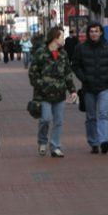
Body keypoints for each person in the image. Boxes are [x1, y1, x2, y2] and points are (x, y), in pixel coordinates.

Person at [28, 27, 78, 157]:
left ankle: (55, 146)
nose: (64, 39)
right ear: (55, 38)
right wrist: (42, 85)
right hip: (43, 94)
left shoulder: (63, 54)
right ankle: (42, 141)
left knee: (59, 121)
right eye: (62, 36)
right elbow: (33, 73)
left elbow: (67, 73)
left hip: (59, 94)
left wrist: (72, 90)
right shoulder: (41, 53)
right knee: (45, 119)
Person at [72, 22, 108, 154]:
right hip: (88, 87)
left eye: (96, 31)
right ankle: (93, 142)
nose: (93, 33)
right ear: (88, 33)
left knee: (103, 114)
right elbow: (75, 65)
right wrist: (83, 77)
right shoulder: (81, 48)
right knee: (91, 116)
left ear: (101, 32)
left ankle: (104, 140)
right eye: (91, 31)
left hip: (104, 85)